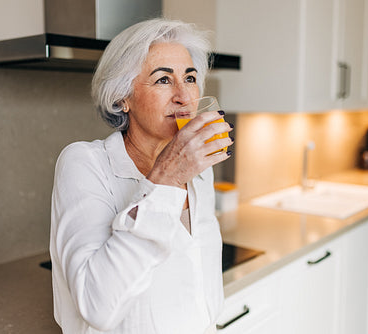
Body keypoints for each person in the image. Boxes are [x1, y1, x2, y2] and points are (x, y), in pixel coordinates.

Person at [49, 18, 234, 334]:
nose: (184, 96)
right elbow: (96, 304)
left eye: (190, 78)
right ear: (123, 96)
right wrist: (166, 179)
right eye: (163, 80)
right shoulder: (84, 163)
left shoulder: (198, 170)